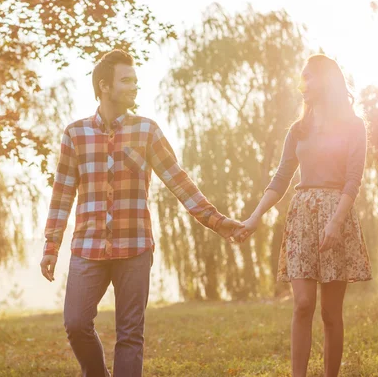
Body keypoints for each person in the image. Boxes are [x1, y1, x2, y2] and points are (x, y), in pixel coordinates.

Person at [40, 49, 243, 377]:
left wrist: (217, 221)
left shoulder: (147, 131)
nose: (135, 86)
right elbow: (62, 194)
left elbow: (179, 181)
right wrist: (51, 247)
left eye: (135, 80)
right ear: (104, 87)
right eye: (126, 80)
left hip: (134, 248)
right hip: (87, 249)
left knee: (130, 334)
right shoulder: (75, 134)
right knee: (76, 323)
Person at [234, 54, 372, 377]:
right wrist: (253, 217)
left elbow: (353, 179)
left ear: (326, 81)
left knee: (330, 312)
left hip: (338, 215)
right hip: (302, 218)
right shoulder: (298, 131)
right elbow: (281, 179)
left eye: (308, 78)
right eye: (301, 78)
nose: (302, 85)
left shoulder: (354, 126)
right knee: (303, 304)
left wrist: (336, 221)